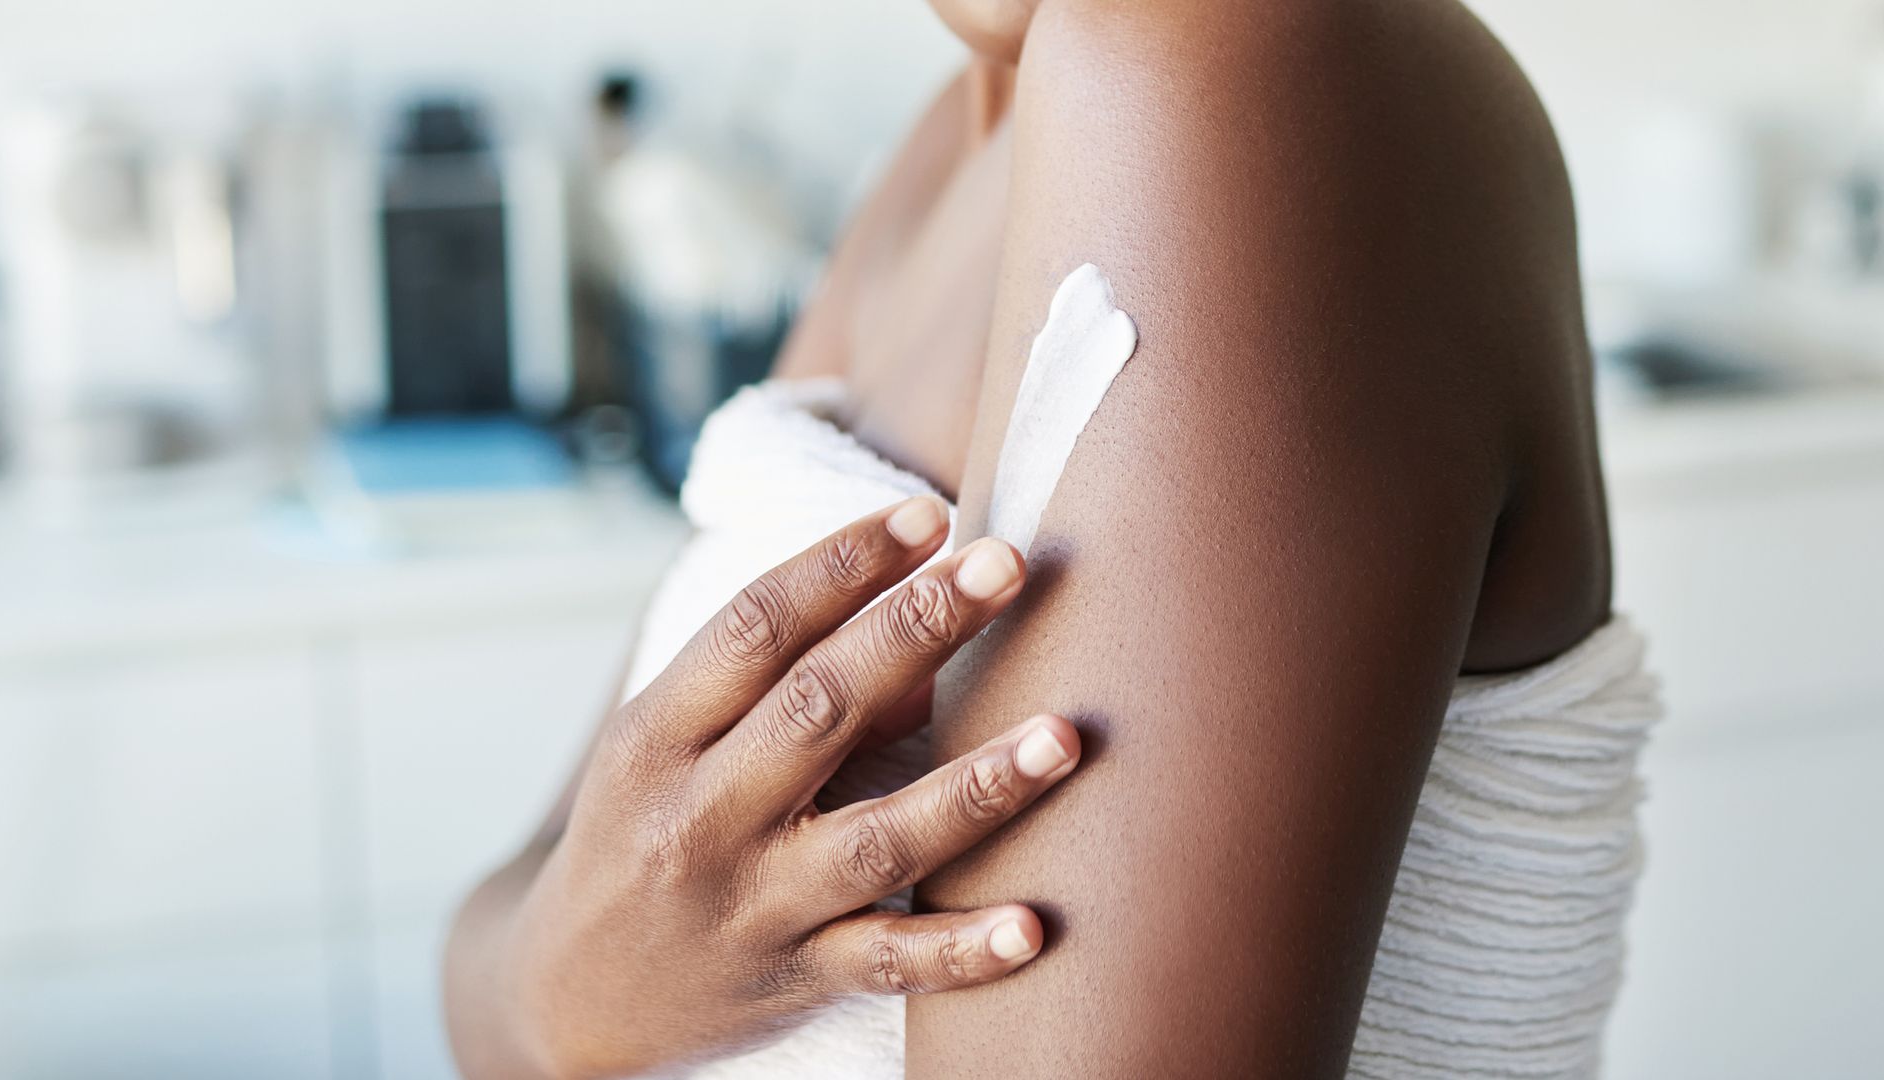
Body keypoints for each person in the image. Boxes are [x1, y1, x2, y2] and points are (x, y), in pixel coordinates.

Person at [444, 0, 1660, 1076]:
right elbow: (499, 955)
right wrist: (568, 996)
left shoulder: (1227, 60)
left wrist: (565, 1001)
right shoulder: (959, 132)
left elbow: (528, 976)